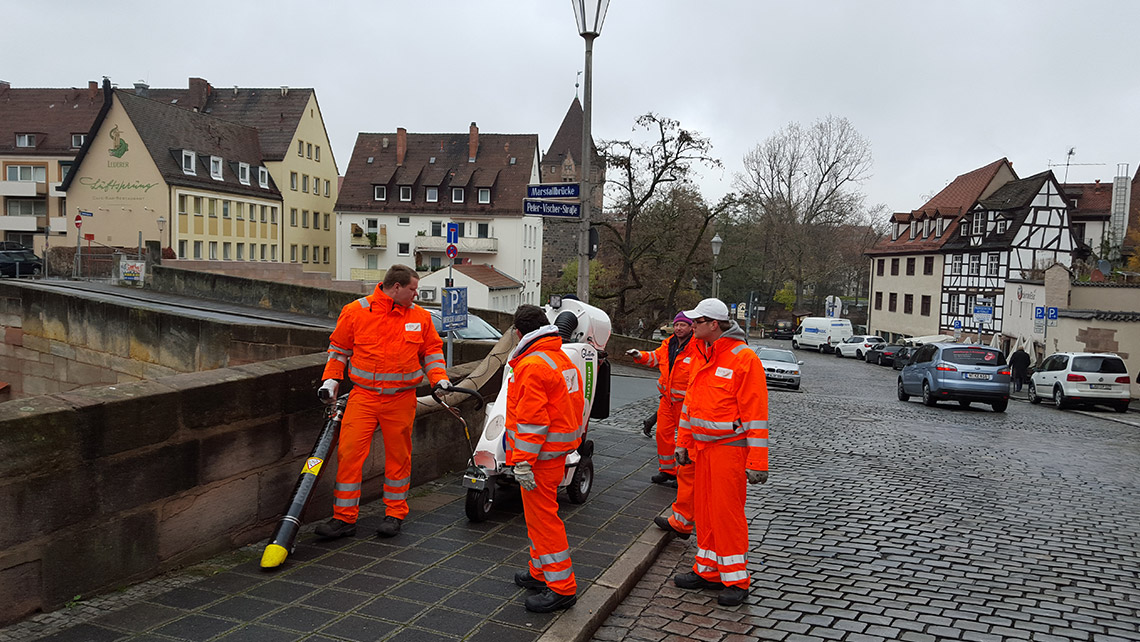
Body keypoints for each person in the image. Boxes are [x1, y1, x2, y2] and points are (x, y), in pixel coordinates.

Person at [315, 264, 451, 540]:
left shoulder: (421, 317)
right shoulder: (356, 311)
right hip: (363, 396)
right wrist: (331, 381)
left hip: (401, 398)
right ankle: (344, 518)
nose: (416, 294)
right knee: (350, 455)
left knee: (399, 458)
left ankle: (395, 514)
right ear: (397, 287)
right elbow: (338, 351)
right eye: (413, 289)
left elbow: (432, 351)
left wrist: (439, 378)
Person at [674, 298, 769, 607]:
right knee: (705, 512)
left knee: (727, 515)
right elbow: (690, 406)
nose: (691, 326)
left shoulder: (743, 359)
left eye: (696, 322)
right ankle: (708, 571)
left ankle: (737, 580)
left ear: (713, 325)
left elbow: (756, 414)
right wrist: (683, 443)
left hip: (729, 450)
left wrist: (757, 461)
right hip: (703, 449)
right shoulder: (703, 355)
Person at [506, 304, 585, 613]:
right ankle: (540, 572)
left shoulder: (531, 365)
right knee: (539, 518)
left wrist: (522, 461)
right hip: (556, 453)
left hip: (538, 459)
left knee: (544, 521)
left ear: (518, 333)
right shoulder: (560, 358)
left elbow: (532, 422)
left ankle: (562, 587)